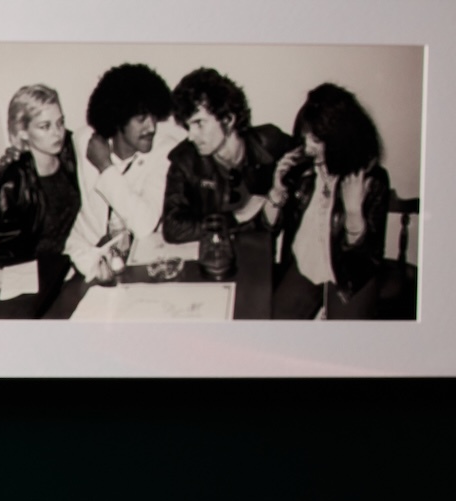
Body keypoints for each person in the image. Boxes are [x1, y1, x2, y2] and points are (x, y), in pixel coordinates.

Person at [269, 84, 390, 320]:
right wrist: (277, 189)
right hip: (307, 263)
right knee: (275, 321)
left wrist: (354, 212)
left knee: (345, 344)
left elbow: (368, 257)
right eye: (305, 139)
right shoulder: (302, 171)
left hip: (349, 276)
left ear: (339, 139)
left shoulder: (371, 179)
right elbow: (272, 229)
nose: (307, 148)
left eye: (316, 140)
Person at [0, 84, 81, 317]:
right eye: (45, 126)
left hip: (60, 271)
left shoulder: (67, 152)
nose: (57, 132)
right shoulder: (10, 182)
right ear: (22, 132)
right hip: (23, 287)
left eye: (60, 122)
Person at [67, 63, 174, 284]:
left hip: (140, 268)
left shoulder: (165, 152)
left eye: (154, 117)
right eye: (141, 118)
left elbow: (145, 225)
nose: (152, 127)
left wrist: (105, 167)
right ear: (117, 118)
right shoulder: (83, 141)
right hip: (85, 265)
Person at [162, 68, 293, 246]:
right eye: (188, 126)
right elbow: (172, 228)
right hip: (213, 255)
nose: (191, 136)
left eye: (199, 123)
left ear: (228, 119)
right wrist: (236, 217)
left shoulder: (269, 143)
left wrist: (277, 196)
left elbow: (307, 156)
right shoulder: (185, 161)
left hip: (258, 254)